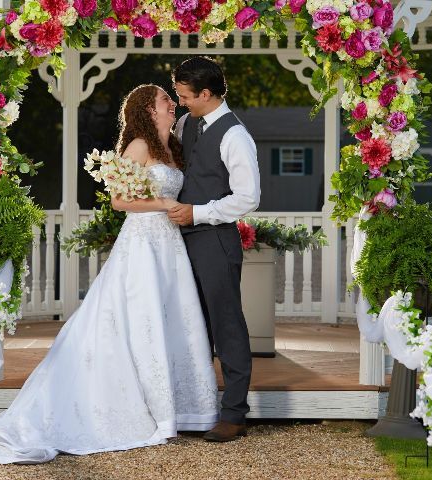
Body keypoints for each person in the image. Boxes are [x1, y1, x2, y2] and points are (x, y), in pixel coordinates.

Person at [0, 84, 218, 464]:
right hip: (143, 244)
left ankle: (180, 409)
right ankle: (148, 411)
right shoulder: (139, 146)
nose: (172, 104)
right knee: (141, 318)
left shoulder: (174, 146)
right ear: (148, 108)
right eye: (165, 99)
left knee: (174, 318)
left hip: (170, 246)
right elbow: (118, 200)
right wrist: (162, 202)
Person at [169, 56, 261, 442]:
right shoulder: (185, 123)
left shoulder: (235, 136)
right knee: (191, 323)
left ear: (206, 93)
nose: (180, 102)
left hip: (214, 239)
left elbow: (249, 197)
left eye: (185, 95)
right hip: (178, 240)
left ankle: (235, 414)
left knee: (226, 326)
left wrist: (199, 213)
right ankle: (196, 406)